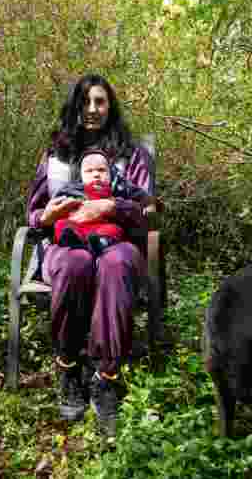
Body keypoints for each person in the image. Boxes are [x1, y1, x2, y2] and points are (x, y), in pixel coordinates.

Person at [25, 73, 154, 436]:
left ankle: (105, 376)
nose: (92, 109)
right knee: (74, 264)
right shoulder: (56, 155)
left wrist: (112, 206)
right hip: (67, 242)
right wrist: (47, 216)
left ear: (110, 107)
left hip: (119, 242)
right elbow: (33, 214)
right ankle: (68, 366)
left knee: (115, 265)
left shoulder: (132, 154)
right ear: (75, 107)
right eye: (85, 102)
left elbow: (149, 212)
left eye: (100, 101)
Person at [51, 148, 153, 259]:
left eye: (101, 170)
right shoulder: (71, 189)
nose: (96, 174)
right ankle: (71, 241)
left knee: (115, 230)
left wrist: (147, 201)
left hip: (102, 227)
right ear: (81, 176)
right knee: (61, 224)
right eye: (89, 171)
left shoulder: (119, 186)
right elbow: (55, 204)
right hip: (78, 227)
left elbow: (141, 197)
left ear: (110, 173)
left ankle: (100, 243)